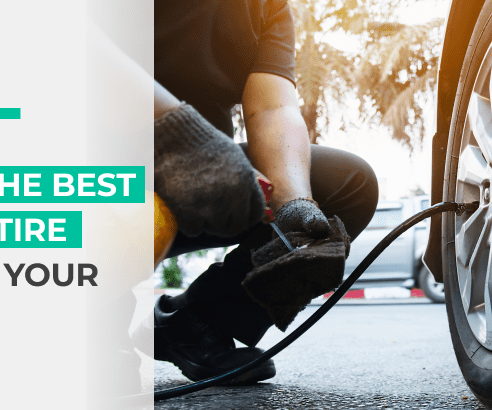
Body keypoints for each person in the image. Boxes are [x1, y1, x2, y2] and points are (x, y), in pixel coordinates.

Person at [152, 0, 379, 384]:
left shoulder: (266, 6)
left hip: (200, 178)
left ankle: (195, 322)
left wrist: (293, 206)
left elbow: (272, 108)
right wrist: (175, 133)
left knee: (347, 184)